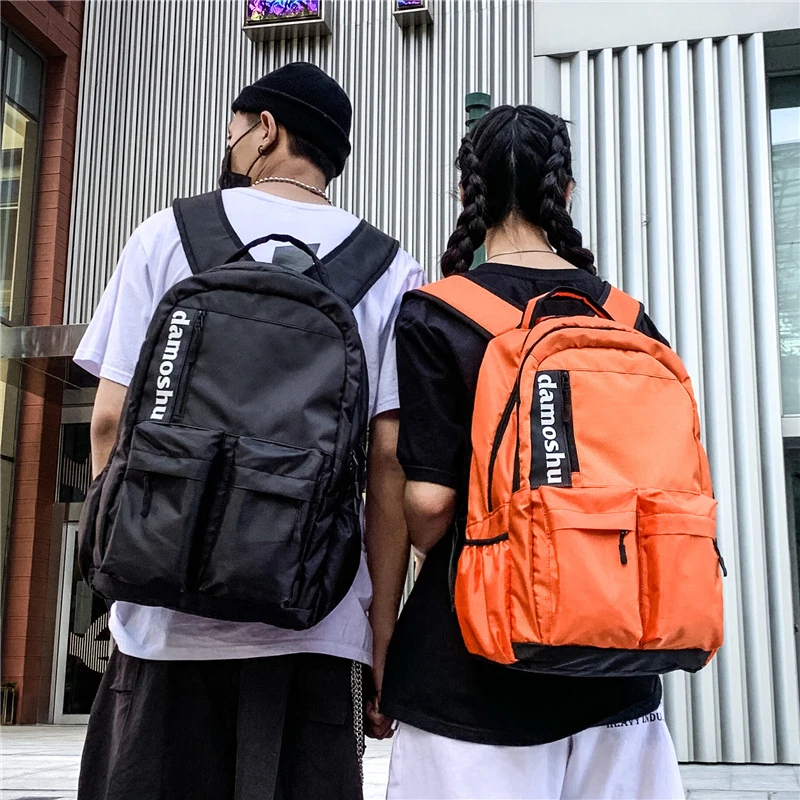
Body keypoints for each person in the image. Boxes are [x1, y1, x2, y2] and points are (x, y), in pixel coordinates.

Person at [74, 62, 421, 800]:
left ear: (266, 129)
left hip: (162, 629)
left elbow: (108, 420)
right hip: (315, 626)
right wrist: (382, 634)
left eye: (232, 131)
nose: (228, 146)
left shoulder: (168, 234)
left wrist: (123, 560)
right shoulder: (389, 269)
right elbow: (388, 464)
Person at [379, 105, 685, 799]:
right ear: (565, 192)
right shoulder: (627, 317)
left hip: (472, 666)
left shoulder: (437, 312)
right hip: (618, 665)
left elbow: (429, 501)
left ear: (466, 192)